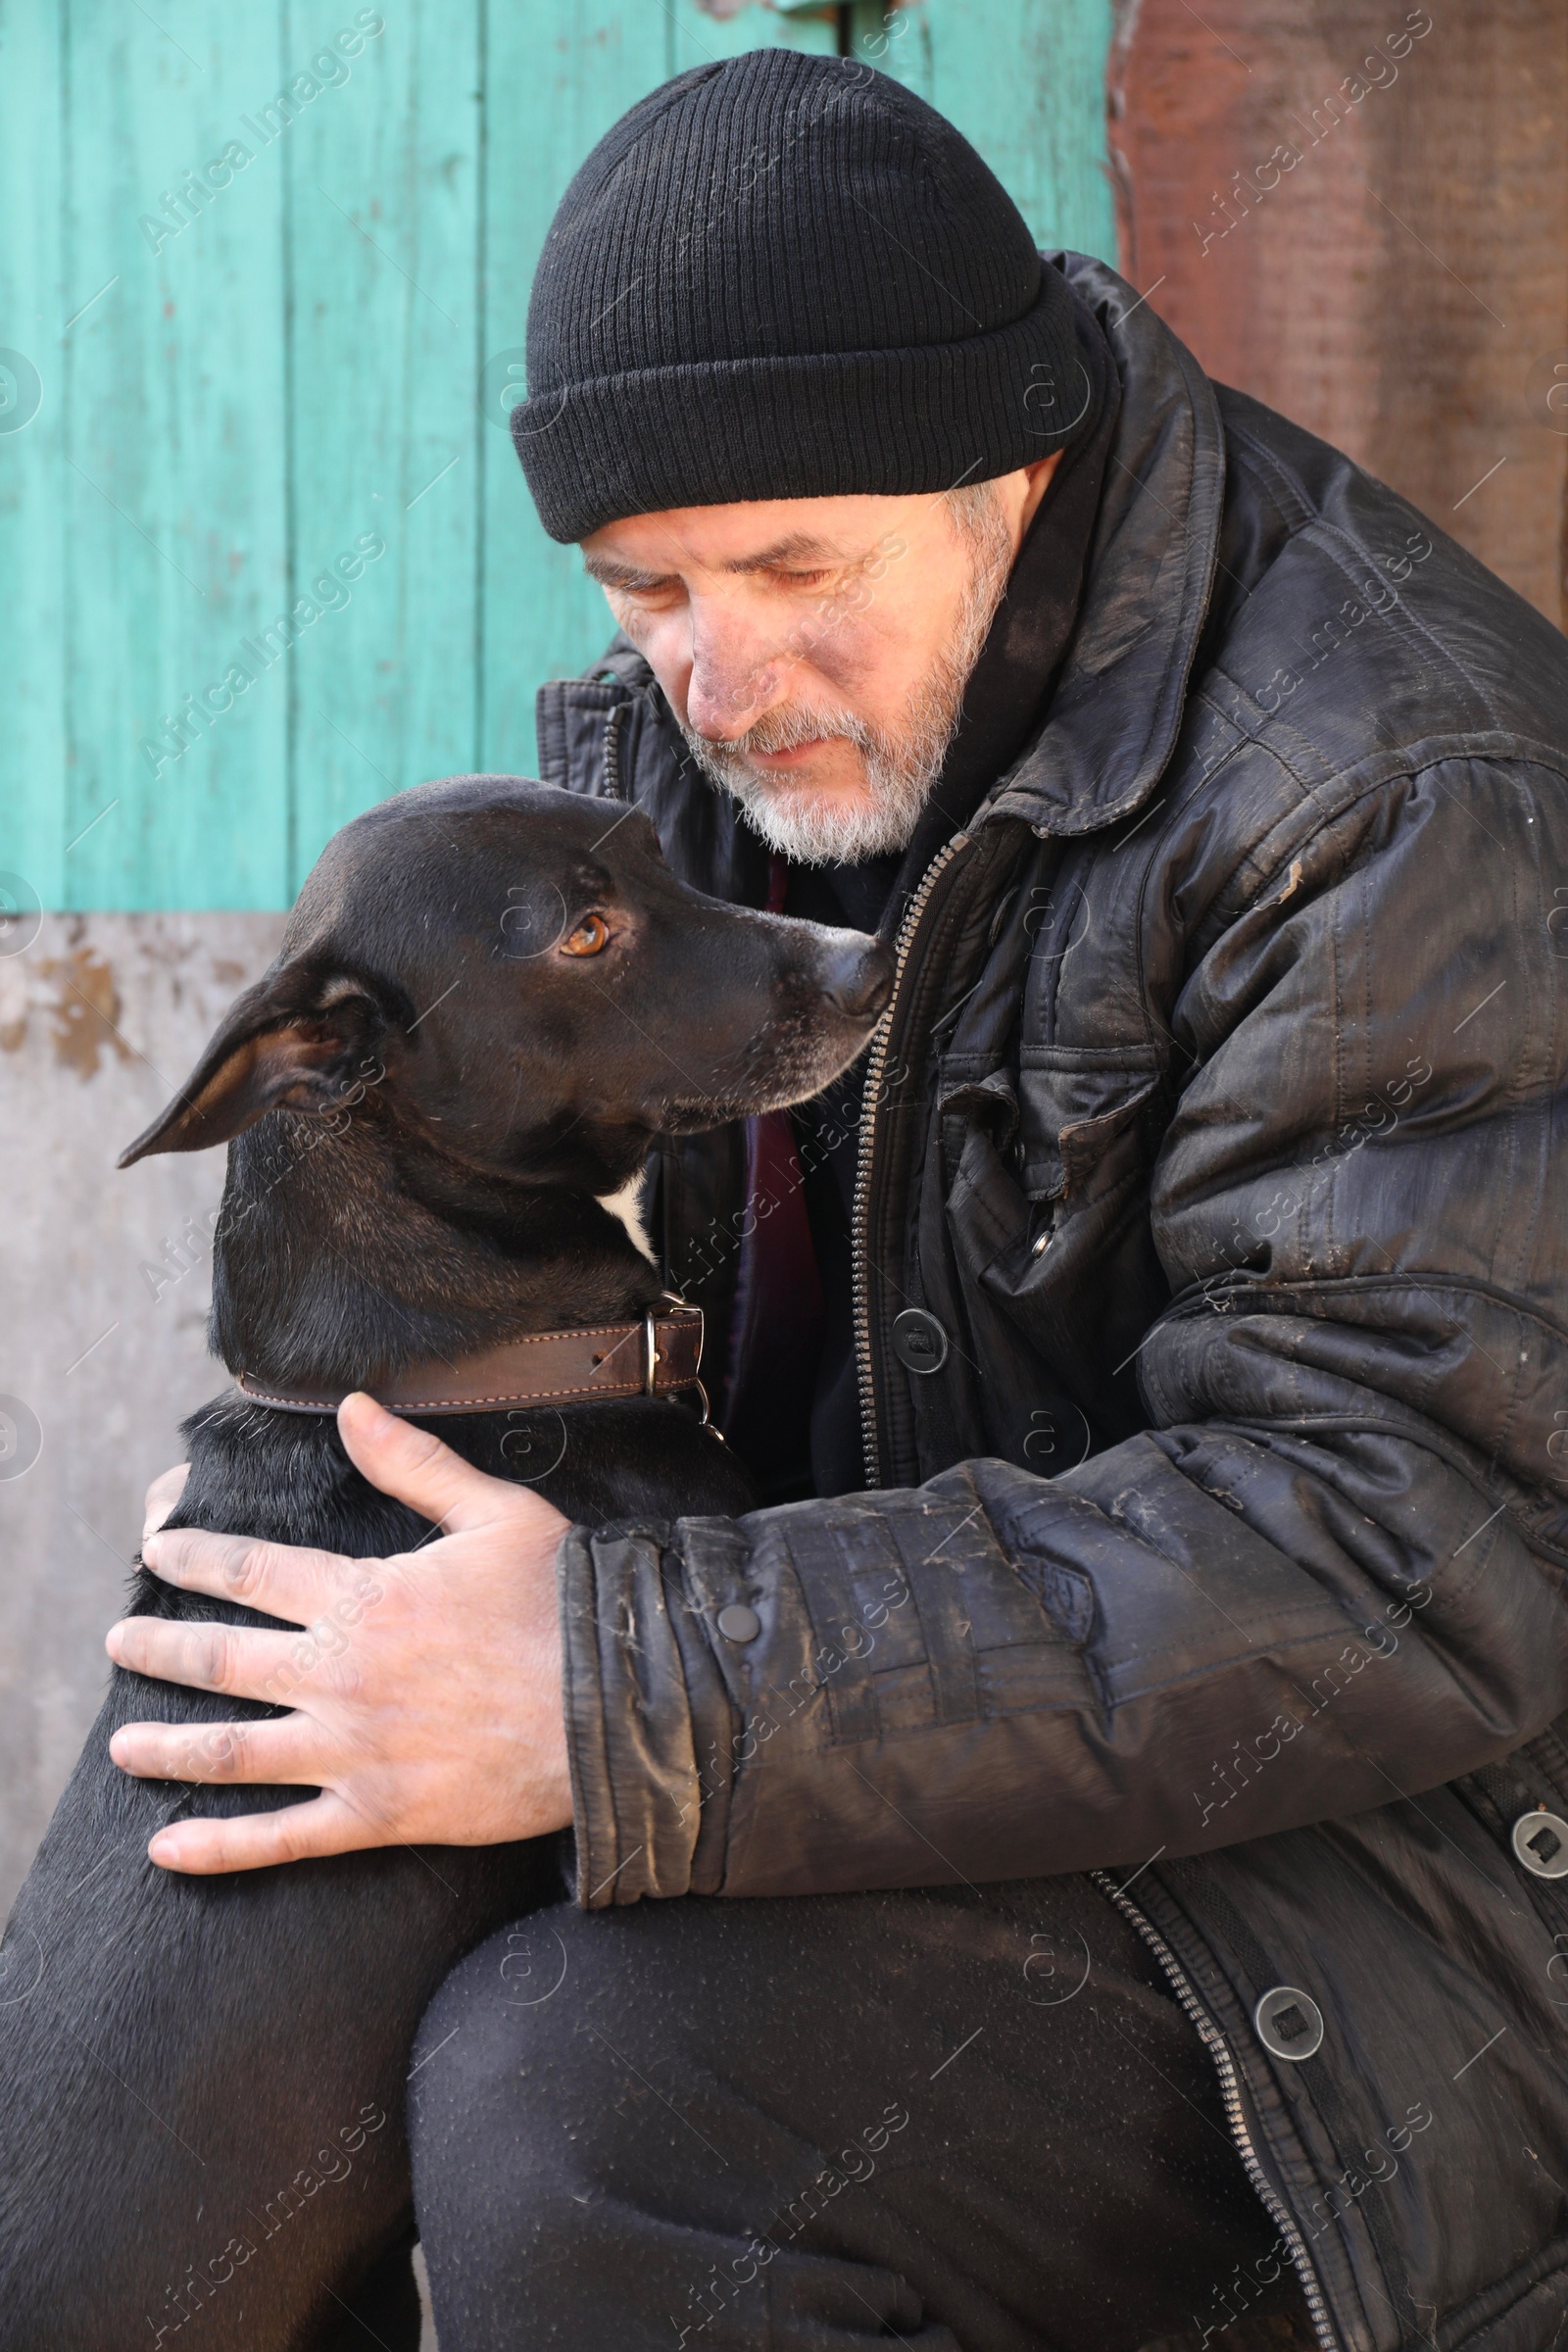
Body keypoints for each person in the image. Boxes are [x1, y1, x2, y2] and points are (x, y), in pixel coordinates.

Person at [111, 48, 1568, 2352]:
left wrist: (612, 1691)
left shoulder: (1385, 793)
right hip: (929, 1779)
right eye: (648, 585)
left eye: (797, 568)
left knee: (578, 2098)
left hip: (1377, 1920)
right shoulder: (685, 774)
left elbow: (1392, 1550)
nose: (720, 672)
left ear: (1014, 459)